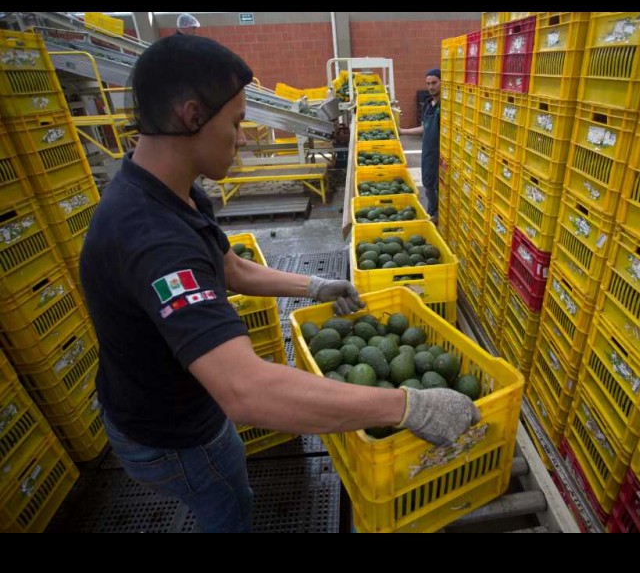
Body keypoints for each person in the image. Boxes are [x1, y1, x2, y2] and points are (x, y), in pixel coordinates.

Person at [79, 35, 480, 533]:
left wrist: (314, 286)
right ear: (192, 116)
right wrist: (407, 405)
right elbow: (247, 390)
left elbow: (233, 269)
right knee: (229, 509)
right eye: (236, 123)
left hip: (176, 403)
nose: (244, 140)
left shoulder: (169, 192)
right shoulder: (153, 239)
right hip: (173, 436)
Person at [399, 68, 441, 224]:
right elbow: (425, 128)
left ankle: (436, 214)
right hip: (428, 150)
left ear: (442, 82)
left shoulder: (444, 105)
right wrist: (403, 131)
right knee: (428, 184)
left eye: (434, 83)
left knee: (437, 185)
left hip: (440, 152)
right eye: (428, 83)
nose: (431, 87)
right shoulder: (428, 105)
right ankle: (434, 213)